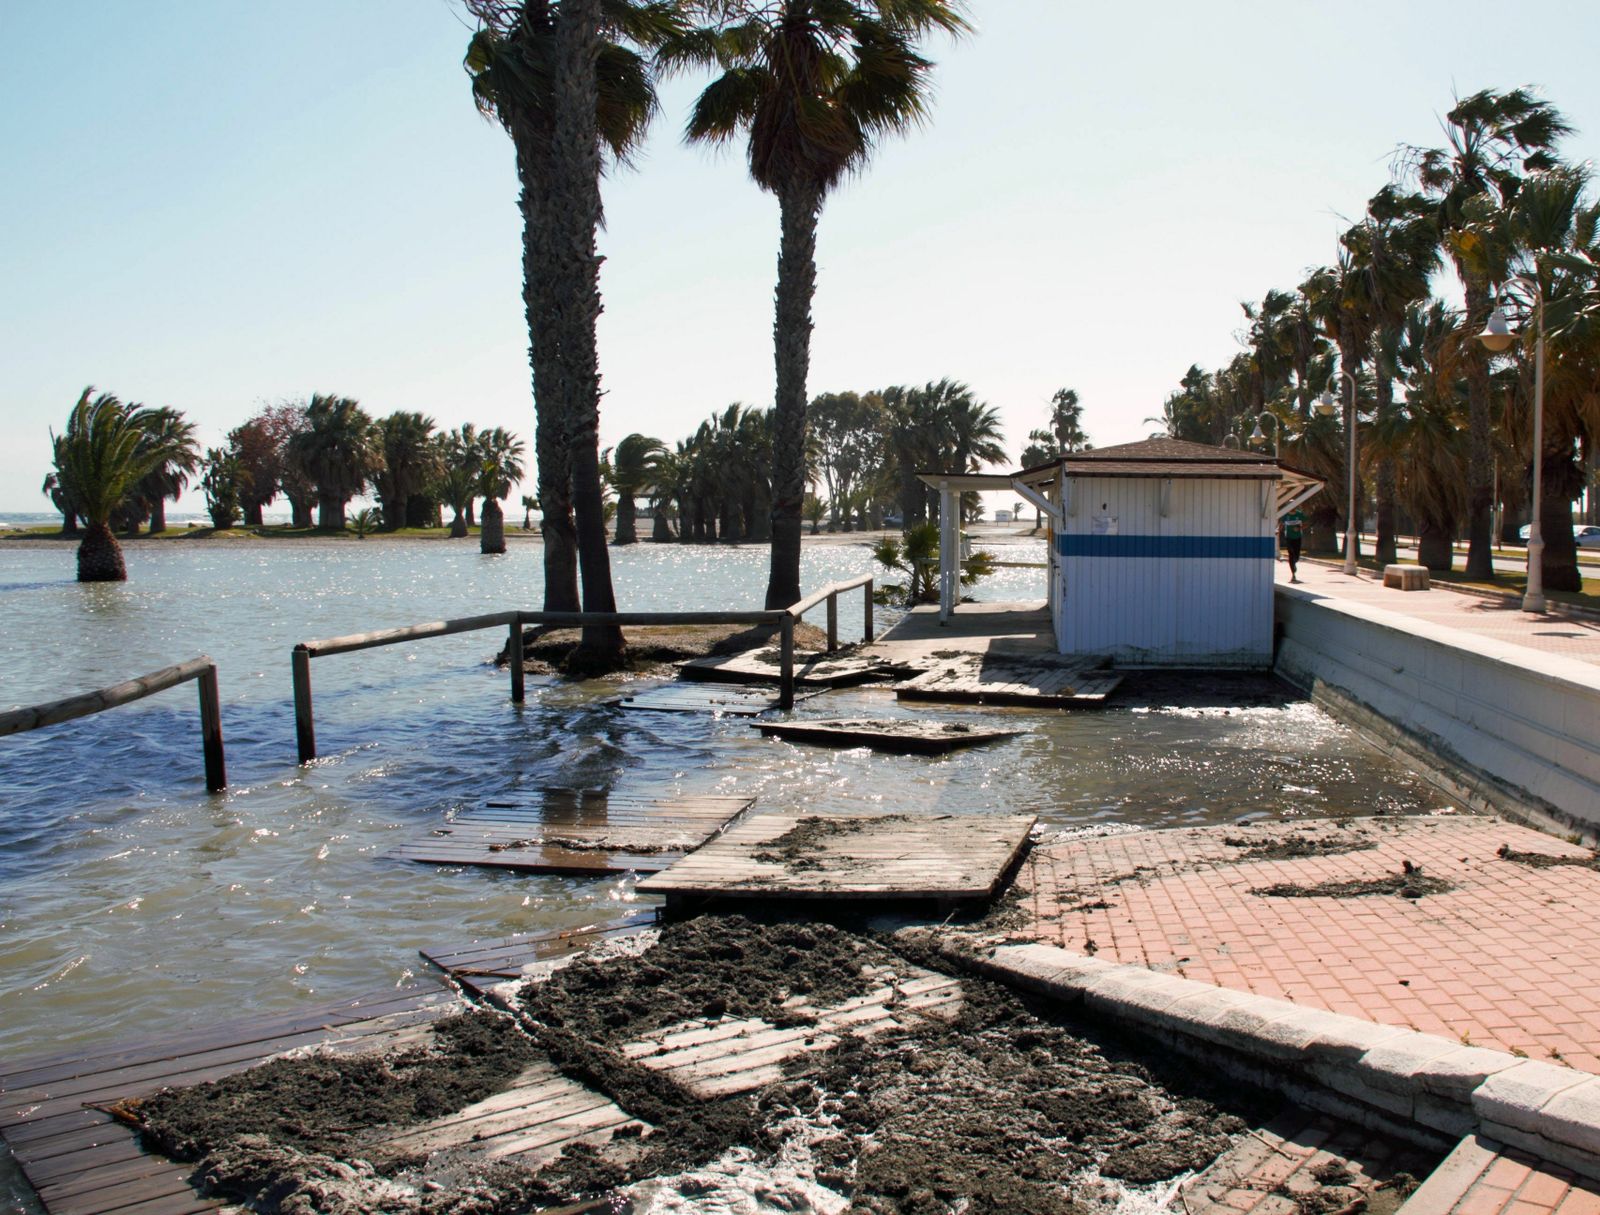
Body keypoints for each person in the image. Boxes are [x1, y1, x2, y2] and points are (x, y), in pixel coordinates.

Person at [1282, 508, 1304, 583]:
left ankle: (1295, 562)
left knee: (1296, 556)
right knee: (1291, 554)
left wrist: (1299, 528)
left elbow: (1307, 522)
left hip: (1298, 537)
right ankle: (1293, 573)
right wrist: (1277, 530)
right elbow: (1281, 524)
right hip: (1288, 538)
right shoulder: (1285, 515)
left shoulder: (1299, 514)